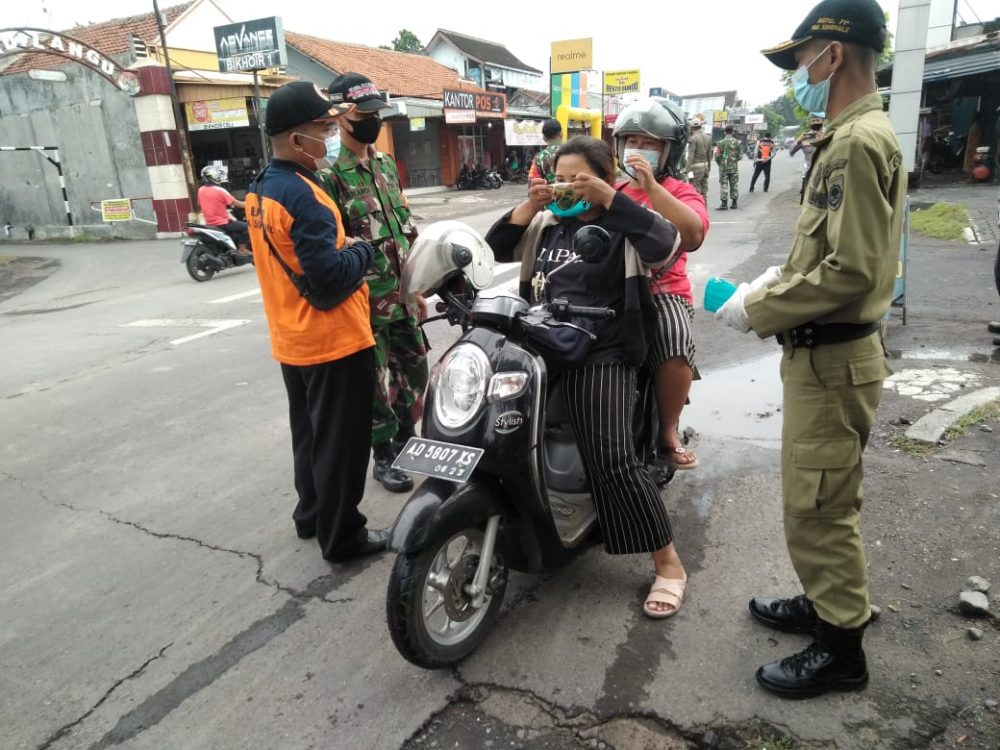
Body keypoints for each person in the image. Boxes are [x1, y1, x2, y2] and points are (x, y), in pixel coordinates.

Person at [715, 0, 904, 699]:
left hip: (832, 359)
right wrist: (781, 280)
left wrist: (757, 307)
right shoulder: (850, 134)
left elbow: (852, 271)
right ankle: (827, 606)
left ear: (833, 53)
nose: (798, 71)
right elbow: (831, 252)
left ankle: (841, 651)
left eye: (801, 57)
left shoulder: (857, 142)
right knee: (822, 499)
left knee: (817, 507)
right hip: (824, 356)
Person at [485, 136, 689, 619]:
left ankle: (669, 564)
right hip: (542, 342)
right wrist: (526, 203)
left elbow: (668, 245)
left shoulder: (624, 223)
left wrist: (611, 200)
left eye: (580, 178)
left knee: (612, 458)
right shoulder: (547, 223)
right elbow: (494, 250)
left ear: (603, 176)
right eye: (561, 177)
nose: (568, 187)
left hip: (604, 350)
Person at [245, 81, 389, 562]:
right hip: (333, 341)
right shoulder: (305, 195)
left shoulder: (263, 186)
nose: (330, 135)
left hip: (292, 338)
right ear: (294, 137)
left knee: (308, 435)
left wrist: (338, 249)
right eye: (323, 128)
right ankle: (343, 535)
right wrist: (362, 249)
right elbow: (327, 280)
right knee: (342, 445)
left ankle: (311, 515)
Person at [318, 72, 429, 494]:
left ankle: (405, 436)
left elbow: (404, 232)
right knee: (374, 384)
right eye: (364, 115)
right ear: (343, 117)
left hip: (401, 295)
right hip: (364, 303)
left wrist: (416, 288)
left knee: (415, 370)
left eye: (376, 115)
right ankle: (384, 454)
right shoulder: (329, 177)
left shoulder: (384, 165)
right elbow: (334, 247)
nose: (373, 122)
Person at [613, 98, 710, 471]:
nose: (639, 149)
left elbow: (694, 233)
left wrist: (653, 189)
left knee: (672, 341)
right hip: (616, 286)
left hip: (661, 290)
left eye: (649, 143)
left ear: (670, 150)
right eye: (632, 140)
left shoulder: (682, 192)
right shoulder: (615, 191)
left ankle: (668, 431)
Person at [197, 165, 249, 252]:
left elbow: (202, 204)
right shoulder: (219, 190)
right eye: (216, 176)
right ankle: (242, 250)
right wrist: (250, 203)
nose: (218, 178)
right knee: (247, 228)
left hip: (210, 223)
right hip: (222, 223)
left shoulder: (200, 190)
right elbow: (236, 204)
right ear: (212, 177)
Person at [789, 114, 825, 192]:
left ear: (823, 121)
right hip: (809, 172)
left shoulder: (829, 133)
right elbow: (791, 152)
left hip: (825, 172)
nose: (815, 122)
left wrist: (822, 140)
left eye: (817, 120)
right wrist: (798, 141)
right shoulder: (805, 137)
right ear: (809, 122)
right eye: (813, 121)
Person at [528, 118, 564, 184]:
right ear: (561, 134)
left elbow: (533, 183)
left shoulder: (540, 157)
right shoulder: (574, 152)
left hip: (550, 193)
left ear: (544, 138)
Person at [686, 115, 713, 202]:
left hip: (695, 168)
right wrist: (709, 167)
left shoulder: (693, 139)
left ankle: (698, 211)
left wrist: (686, 169)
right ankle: (704, 209)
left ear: (691, 127)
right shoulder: (708, 138)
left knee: (695, 190)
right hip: (705, 167)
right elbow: (709, 155)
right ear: (700, 126)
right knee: (704, 191)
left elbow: (691, 156)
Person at [714, 125, 741, 210]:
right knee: (734, 185)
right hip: (734, 168)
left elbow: (717, 156)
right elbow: (739, 156)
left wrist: (720, 164)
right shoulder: (737, 142)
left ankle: (724, 204)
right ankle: (734, 203)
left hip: (723, 168)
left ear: (724, 132)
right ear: (733, 132)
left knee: (723, 185)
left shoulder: (720, 142)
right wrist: (733, 161)